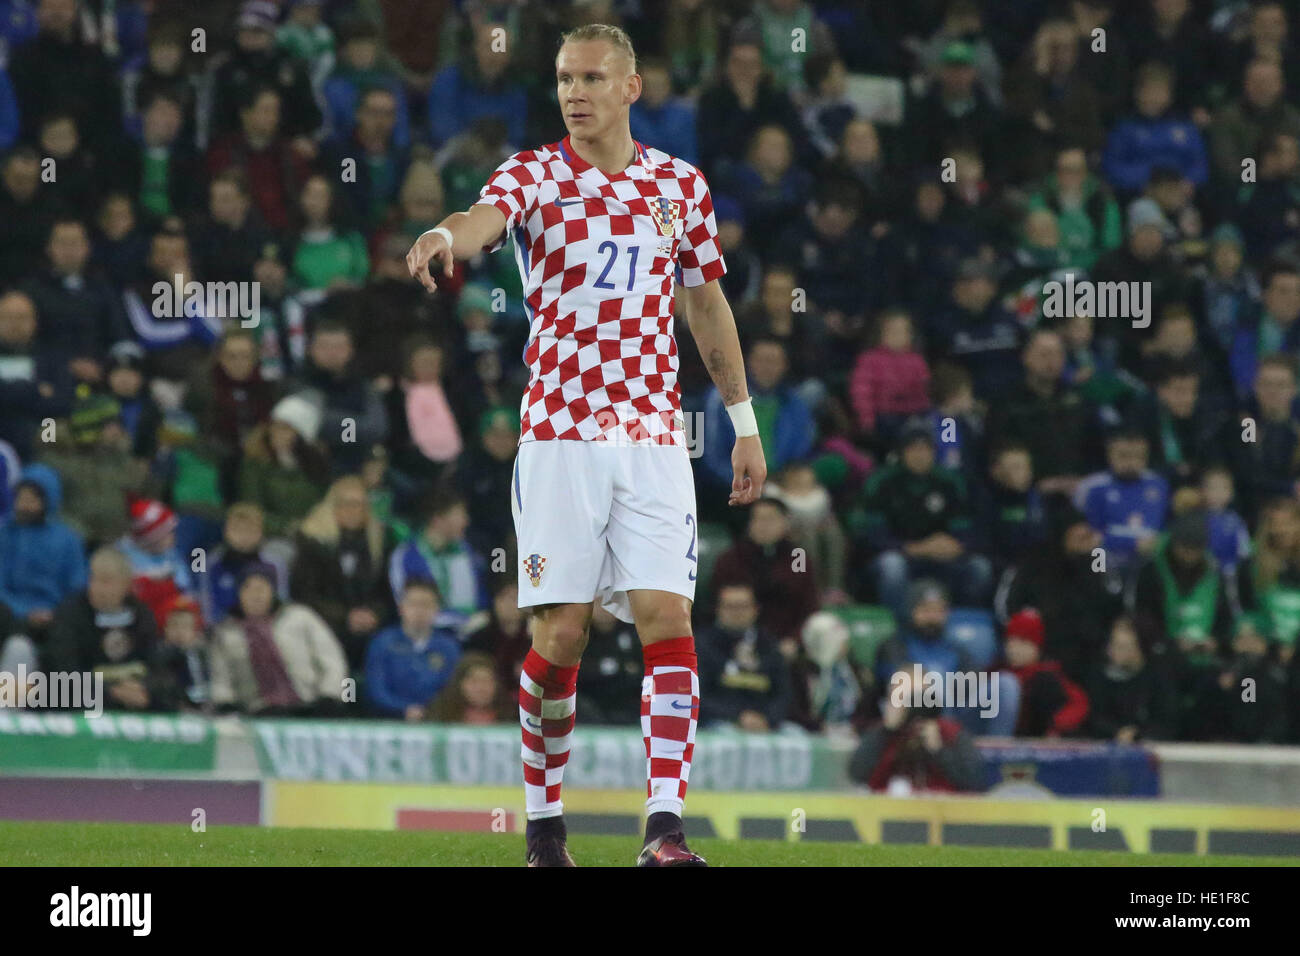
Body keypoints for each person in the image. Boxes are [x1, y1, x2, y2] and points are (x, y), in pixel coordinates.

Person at [405, 23, 766, 868]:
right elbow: (479, 219)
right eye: (566, 78)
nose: (575, 93)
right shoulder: (534, 173)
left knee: (666, 618)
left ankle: (664, 831)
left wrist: (744, 426)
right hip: (561, 436)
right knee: (562, 635)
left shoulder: (680, 189)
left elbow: (707, 308)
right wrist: (439, 238)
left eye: (593, 79)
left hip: (651, 436)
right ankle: (544, 831)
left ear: (631, 88)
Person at [208, 562, 348, 716]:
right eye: (248, 589)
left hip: (309, 706)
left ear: (273, 591)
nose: (255, 595)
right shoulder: (226, 633)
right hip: (259, 713)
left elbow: (332, 660)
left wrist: (329, 696)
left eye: (261, 588)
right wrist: (226, 705)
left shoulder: (301, 617)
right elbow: (221, 679)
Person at [848, 665, 985, 794]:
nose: (909, 705)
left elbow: (974, 783)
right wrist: (885, 732)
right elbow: (858, 776)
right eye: (899, 697)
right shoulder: (882, 735)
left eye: (915, 697)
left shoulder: (949, 733)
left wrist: (940, 752)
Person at [695, 582, 791, 731]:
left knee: (795, 734)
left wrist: (767, 718)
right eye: (730, 607)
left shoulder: (769, 645)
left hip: (766, 723)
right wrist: (738, 716)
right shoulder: (702, 645)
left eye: (743, 606)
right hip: (718, 721)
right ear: (718, 609)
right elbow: (698, 696)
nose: (737, 612)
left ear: (755, 610)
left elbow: (783, 694)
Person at [364, 578, 460, 721]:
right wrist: (403, 709)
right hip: (389, 721)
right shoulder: (383, 643)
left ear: (437, 609)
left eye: (426, 605)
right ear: (401, 608)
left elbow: (453, 689)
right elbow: (376, 689)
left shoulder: (449, 647)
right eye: (413, 604)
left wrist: (431, 710)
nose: (419, 611)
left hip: (437, 720)